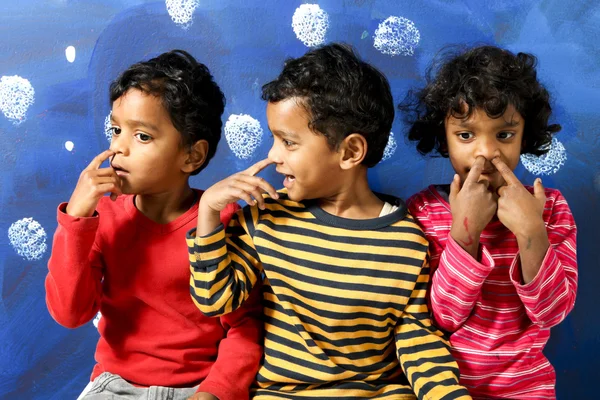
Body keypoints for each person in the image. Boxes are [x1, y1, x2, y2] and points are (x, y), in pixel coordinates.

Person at [188, 43, 471, 400]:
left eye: (288, 142)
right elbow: (215, 301)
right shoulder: (265, 219)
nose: (273, 156)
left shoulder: (408, 241)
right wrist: (209, 213)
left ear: (350, 152)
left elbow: (417, 340)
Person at [45, 50, 263, 400]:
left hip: (200, 387)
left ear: (191, 156)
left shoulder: (223, 220)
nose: (118, 148)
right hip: (114, 386)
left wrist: (217, 390)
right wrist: (77, 218)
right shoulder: (103, 216)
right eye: (116, 129)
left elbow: (245, 326)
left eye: (142, 136)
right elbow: (70, 313)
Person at [399, 45, 578, 399]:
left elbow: (551, 314)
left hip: (527, 388)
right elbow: (440, 319)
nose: (486, 151)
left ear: (525, 135)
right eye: (466, 135)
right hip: (442, 388)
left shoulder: (551, 208)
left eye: (504, 135)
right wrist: (465, 233)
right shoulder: (422, 210)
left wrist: (531, 232)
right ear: (444, 136)